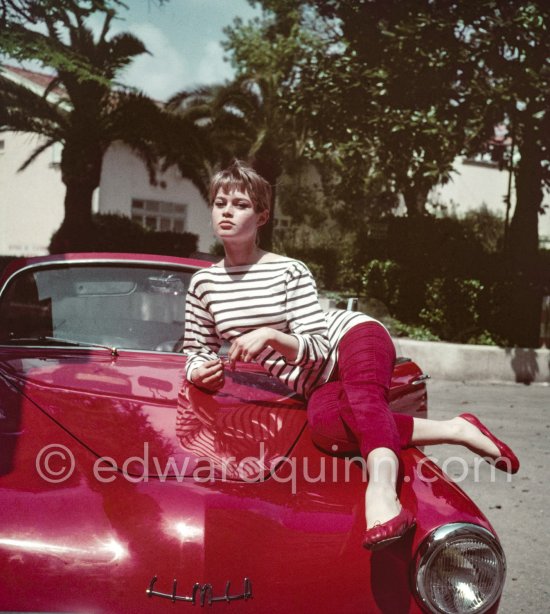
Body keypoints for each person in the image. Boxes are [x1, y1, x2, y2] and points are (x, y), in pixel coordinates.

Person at [183, 160, 519, 550]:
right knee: (327, 431)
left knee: (363, 400)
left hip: (351, 337)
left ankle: (382, 495)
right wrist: (198, 372)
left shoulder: (290, 271)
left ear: (262, 215)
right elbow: (195, 349)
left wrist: (271, 336)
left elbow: (319, 346)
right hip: (315, 383)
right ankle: (458, 429)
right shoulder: (204, 284)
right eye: (219, 202)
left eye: (239, 204)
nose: (226, 211)